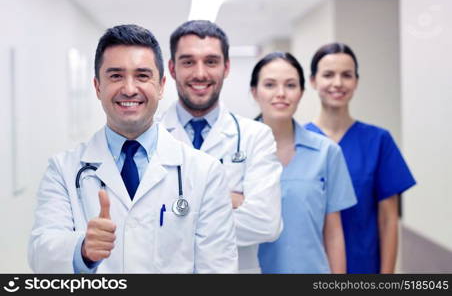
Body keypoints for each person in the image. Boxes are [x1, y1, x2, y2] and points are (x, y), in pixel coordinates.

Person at [28, 24, 238, 273]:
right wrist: (82, 250)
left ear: (160, 86)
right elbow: (40, 255)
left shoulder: (205, 171)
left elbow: (218, 269)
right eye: (116, 76)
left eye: (142, 76)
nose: (129, 89)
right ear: (97, 87)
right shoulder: (63, 170)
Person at [160, 20, 282, 273]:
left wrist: (175, 211)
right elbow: (138, 224)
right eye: (188, 61)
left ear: (226, 67)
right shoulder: (149, 136)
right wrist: (223, 201)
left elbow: (266, 223)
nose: (200, 73)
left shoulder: (256, 137)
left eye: (211, 61)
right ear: (172, 68)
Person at [305, 42, 416, 273]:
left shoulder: (378, 141)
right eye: (328, 75)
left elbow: (388, 219)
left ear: (356, 81)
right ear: (313, 81)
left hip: (363, 268)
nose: (338, 83)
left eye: (346, 75)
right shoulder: (299, 142)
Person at [250, 52, 356, 273]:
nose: (281, 94)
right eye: (270, 85)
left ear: (301, 92)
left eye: (290, 85)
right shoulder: (235, 151)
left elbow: (334, 233)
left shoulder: (327, 152)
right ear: (254, 92)